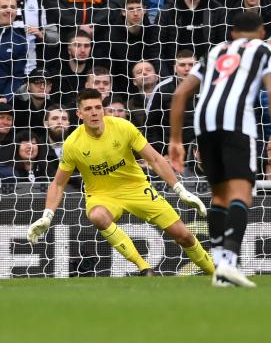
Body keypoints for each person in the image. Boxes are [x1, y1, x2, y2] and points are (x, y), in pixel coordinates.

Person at [26, 88, 214, 277]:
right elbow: (58, 184)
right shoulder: (73, 144)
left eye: (98, 107)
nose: (94, 112)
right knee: (97, 216)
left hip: (137, 188)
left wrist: (180, 189)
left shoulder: (123, 127)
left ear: (103, 109)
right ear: (79, 113)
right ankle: (144, 268)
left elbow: (155, 159)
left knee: (184, 236)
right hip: (102, 195)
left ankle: (215, 273)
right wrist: (47, 215)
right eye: (88, 108)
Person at [169, 12, 271, 288]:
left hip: (203, 124)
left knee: (220, 197)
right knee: (241, 194)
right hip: (237, 123)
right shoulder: (264, 50)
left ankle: (219, 265)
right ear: (262, 33)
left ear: (233, 33)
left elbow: (179, 94)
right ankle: (229, 264)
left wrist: (175, 140)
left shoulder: (216, 50)